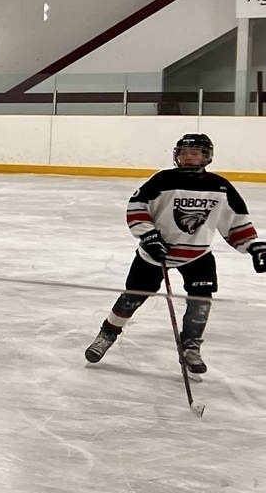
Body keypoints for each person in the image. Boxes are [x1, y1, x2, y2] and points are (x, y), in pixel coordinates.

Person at [85, 132, 266, 373]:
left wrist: (253, 245)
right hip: (154, 253)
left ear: (206, 156)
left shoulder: (219, 187)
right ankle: (107, 334)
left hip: (197, 255)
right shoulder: (162, 181)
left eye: (195, 153)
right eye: (183, 153)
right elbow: (138, 207)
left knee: (200, 301)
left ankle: (191, 347)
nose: (188, 158)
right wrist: (148, 235)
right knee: (132, 297)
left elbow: (235, 222)